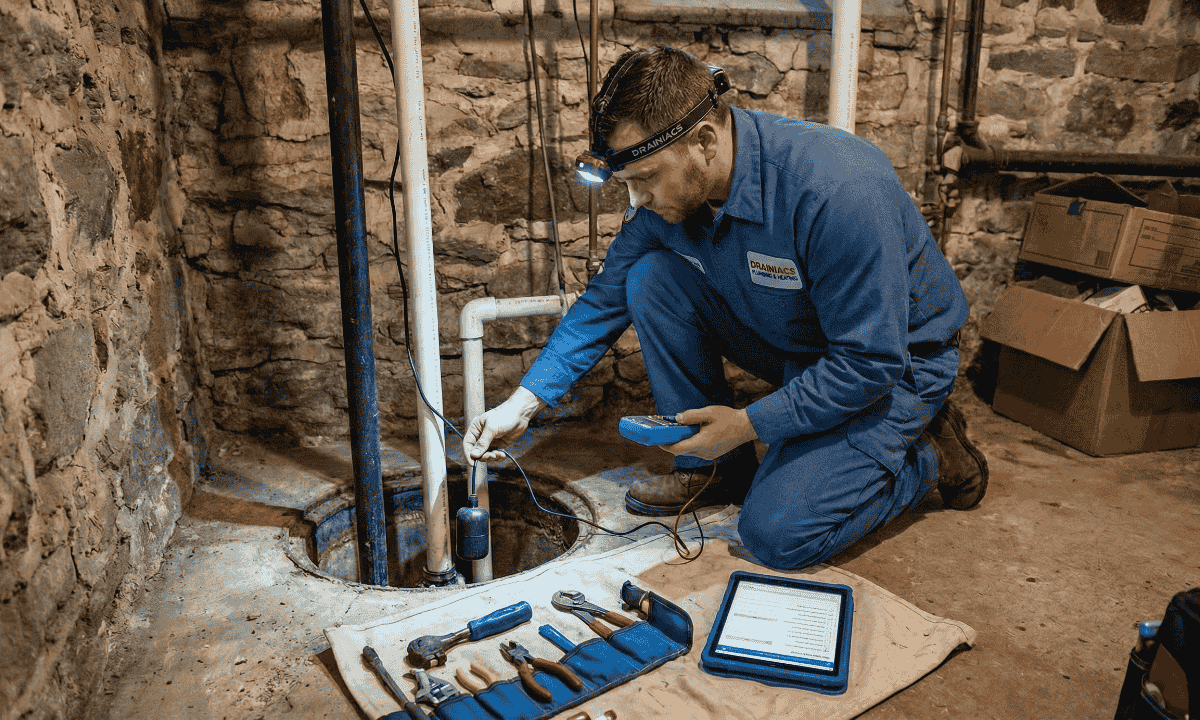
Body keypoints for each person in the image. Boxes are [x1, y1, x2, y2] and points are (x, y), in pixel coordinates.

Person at [461, 46, 989, 570]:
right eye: (627, 185)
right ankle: (717, 470)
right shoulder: (672, 196)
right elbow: (605, 296)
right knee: (650, 278)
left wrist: (745, 423)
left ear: (705, 141)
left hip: (892, 366)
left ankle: (928, 454)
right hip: (794, 341)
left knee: (776, 535)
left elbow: (869, 361)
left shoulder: (836, 189)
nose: (637, 201)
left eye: (645, 179)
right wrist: (524, 402)